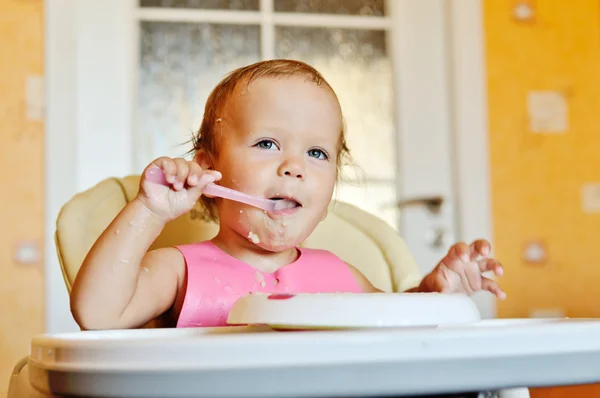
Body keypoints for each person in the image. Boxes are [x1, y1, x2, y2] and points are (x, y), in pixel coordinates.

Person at [70, 59, 505, 331]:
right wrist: (150, 210)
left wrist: (434, 294)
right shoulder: (181, 270)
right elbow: (99, 315)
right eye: (267, 144)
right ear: (207, 170)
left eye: (316, 152)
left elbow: (394, 326)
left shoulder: (340, 277)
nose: (293, 166)